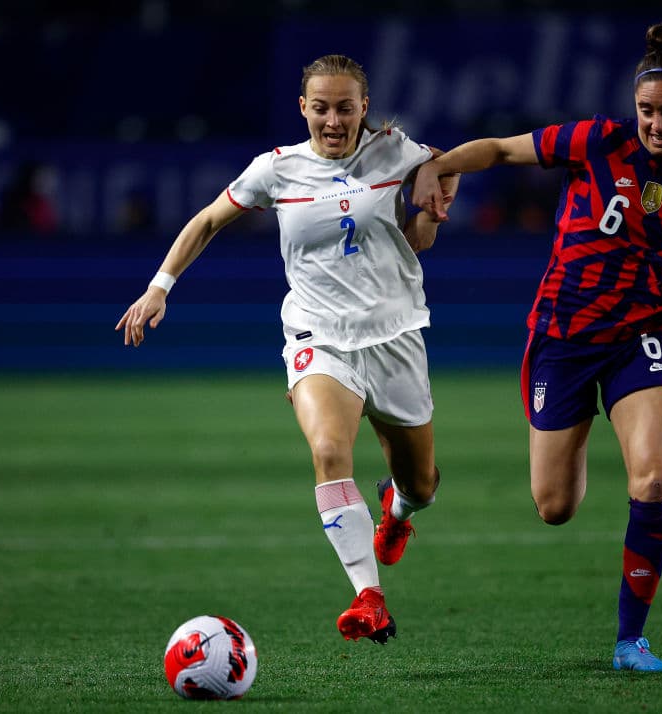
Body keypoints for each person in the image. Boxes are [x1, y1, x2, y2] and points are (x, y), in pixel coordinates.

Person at [116, 54, 458, 644]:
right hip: (317, 336)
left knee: (421, 486)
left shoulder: (396, 152)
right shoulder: (276, 169)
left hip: (396, 337)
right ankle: (369, 597)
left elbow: (444, 176)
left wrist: (429, 213)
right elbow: (207, 221)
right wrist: (159, 287)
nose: (333, 120)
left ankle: (397, 510)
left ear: (364, 108)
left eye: (345, 108)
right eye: (320, 108)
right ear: (303, 108)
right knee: (329, 450)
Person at [412, 22, 662, 672]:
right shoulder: (598, 141)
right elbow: (501, 150)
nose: (656, 123)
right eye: (647, 110)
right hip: (563, 338)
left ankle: (630, 641)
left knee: (653, 479)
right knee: (555, 507)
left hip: (639, 339)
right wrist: (438, 165)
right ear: (634, 105)